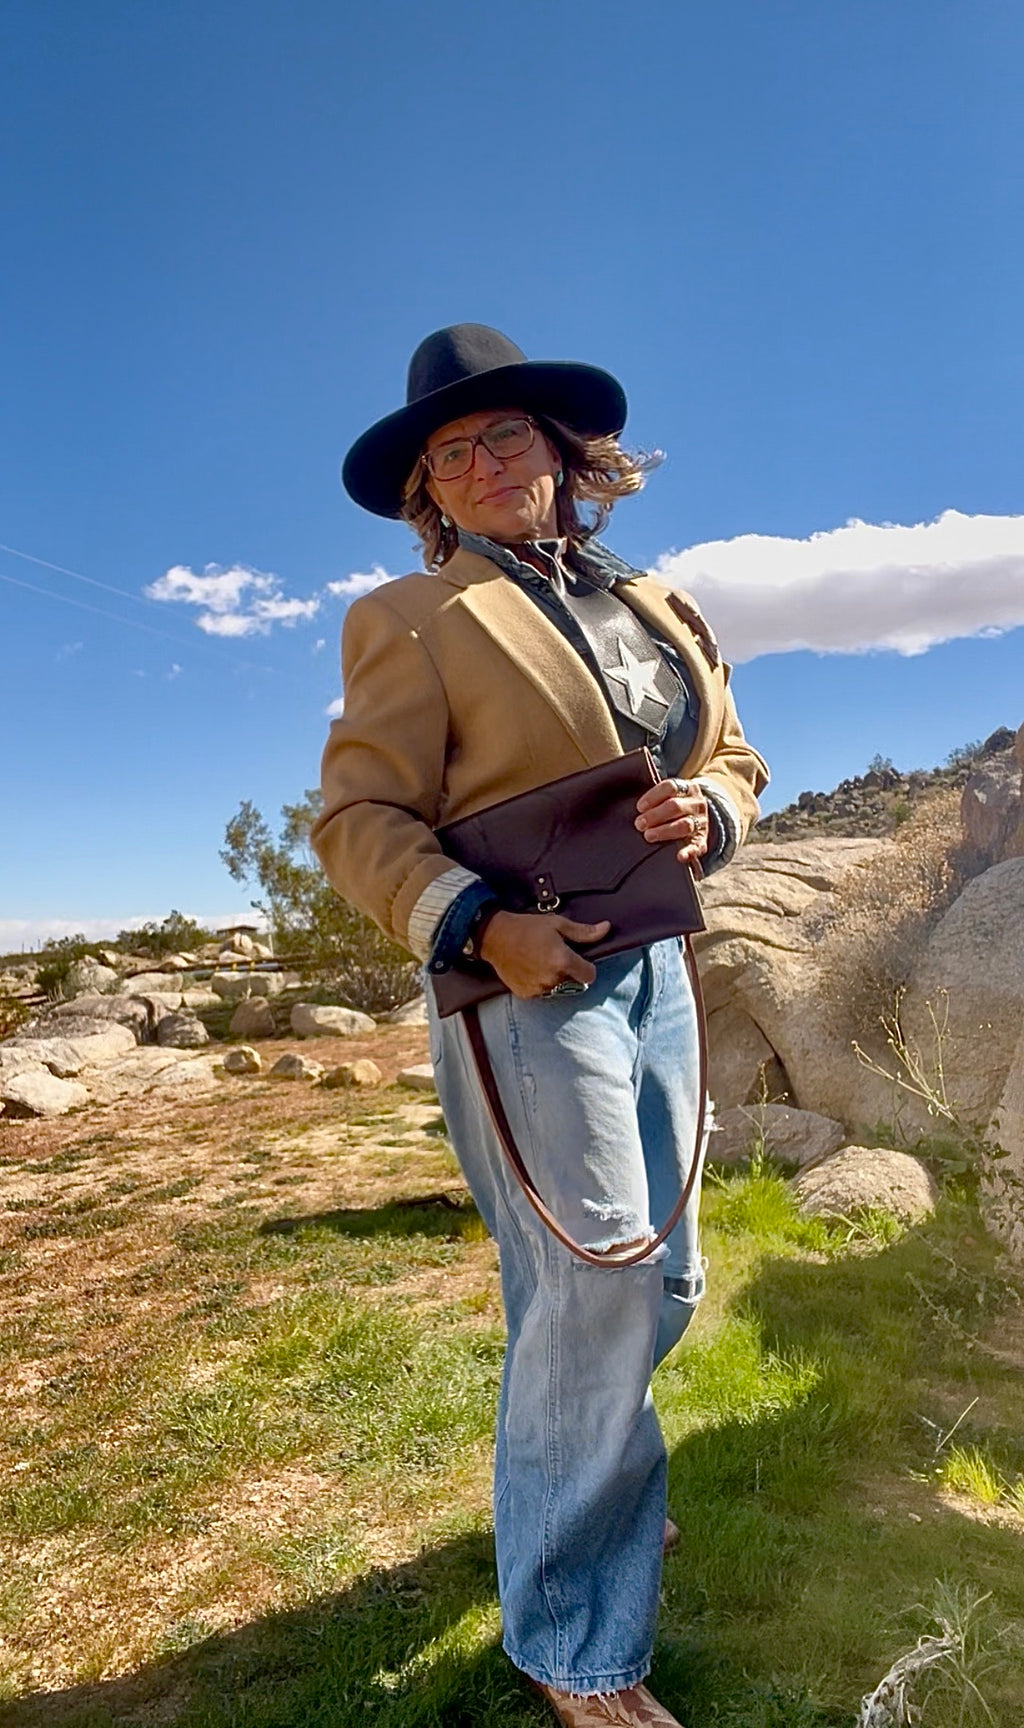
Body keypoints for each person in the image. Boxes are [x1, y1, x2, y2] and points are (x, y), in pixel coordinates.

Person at [312, 324, 768, 1728]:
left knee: (659, 1281)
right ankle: (576, 1643)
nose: (480, 463)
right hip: (523, 980)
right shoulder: (412, 618)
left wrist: (716, 811)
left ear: (566, 453)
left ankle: (583, 1474)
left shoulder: (661, 604)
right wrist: (476, 927)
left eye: (504, 434)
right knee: (601, 1277)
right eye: (450, 454)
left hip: (657, 970)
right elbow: (356, 822)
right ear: (428, 496)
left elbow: (735, 753)